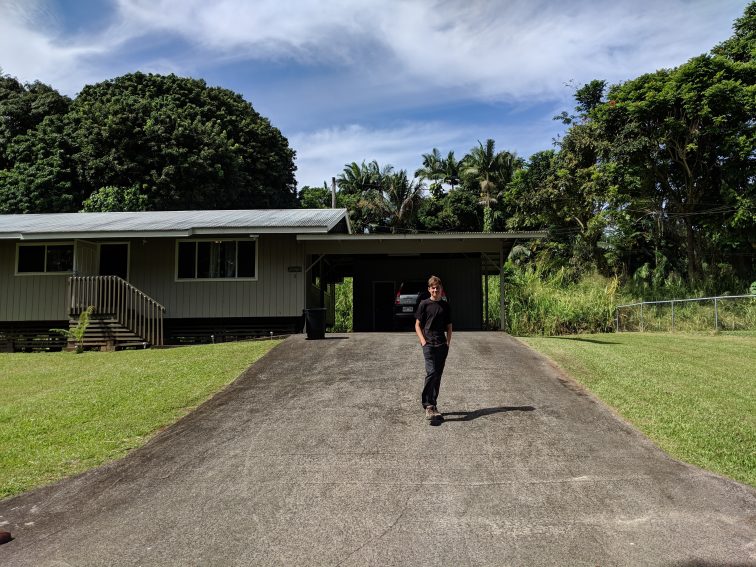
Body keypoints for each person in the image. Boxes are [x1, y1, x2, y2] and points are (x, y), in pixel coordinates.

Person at [414, 275, 452, 420]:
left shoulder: (445, 306)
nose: (435, 290)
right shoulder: (424, 304)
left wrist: (448, 343)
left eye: (438, 288)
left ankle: (434, 405)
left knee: (438, 376)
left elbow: (449, 326)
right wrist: (423, 341)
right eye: (433, 288)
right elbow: (417, 325)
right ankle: (428, 405)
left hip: (442, 344)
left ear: (441, 289)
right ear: (429, 289)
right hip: (428, 344)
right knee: (431, 372)